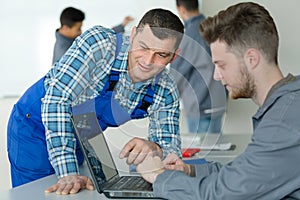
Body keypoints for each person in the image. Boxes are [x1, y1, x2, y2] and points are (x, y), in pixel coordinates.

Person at [7, 8, 184, 195]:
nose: (148, 61)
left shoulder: (165, 89)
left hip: (81, 133)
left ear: (175, 55)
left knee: (80, 192)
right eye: (144, 47)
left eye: (161, 54)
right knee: (36, 194)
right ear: (133, 35)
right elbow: (56, 101)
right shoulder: (100, 45)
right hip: (34, 128)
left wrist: (156, 147)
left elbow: (171, 150)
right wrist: (68, 172)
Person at [137, 2, 300, 199]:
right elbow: (244, 177)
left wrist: (159, 176)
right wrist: (189, 171)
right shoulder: (287, 106)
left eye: (221, 64)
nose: (215, 76)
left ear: (251, 59)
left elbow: (220, 194)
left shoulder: (281, 124)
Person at [170, 0, 227, 134]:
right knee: (215, 149)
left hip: (201, 106)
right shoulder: (213, 28)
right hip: (218, 102)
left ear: (181, 8)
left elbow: (177, 74)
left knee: (202, 152)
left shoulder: (189, 35)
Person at [52, 7, 134, 64]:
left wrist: (122, 25)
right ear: (66, 28)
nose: (80, 32)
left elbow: (99, 37)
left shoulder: (71, 39)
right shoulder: (64, 51)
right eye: (78, 29)